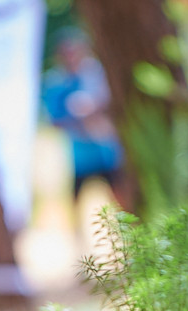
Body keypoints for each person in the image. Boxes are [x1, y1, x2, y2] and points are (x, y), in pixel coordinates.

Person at [41, 28, 132, 210]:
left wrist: (95, 111)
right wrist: (77, 118)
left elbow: (115, 107)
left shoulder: (96, 74)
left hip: (106, 149)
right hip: (79, 154)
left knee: (121, 196)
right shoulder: (55, 82)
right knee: (76, 203)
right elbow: (54, 120)